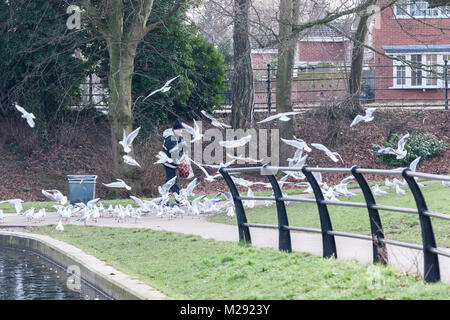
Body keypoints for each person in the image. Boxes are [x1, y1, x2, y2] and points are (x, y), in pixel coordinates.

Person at [162, 119, 188, 197]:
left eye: (181, 129)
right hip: (167, 161)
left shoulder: (179, 137)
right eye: (179, 129)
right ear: (174, 130)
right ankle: (178, 198)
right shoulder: (169, 139)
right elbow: (174, 152)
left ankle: (165, 195)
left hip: (174, 160)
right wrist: (181, 161)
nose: (181, 131)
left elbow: (184, 148)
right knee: (172, 179)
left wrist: (185, 156)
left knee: (170, 180)